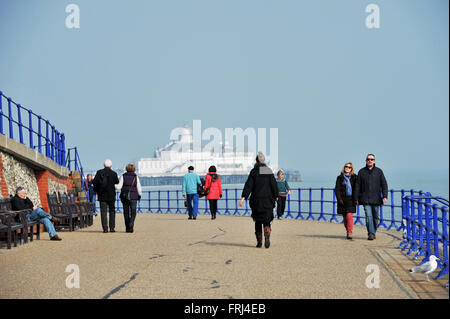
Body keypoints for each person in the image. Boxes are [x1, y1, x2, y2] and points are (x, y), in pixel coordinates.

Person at [239, 152, 278, 248]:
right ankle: (267, 233)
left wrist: (243, 197)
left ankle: (259, 242)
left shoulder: (254, 172)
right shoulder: (268, 171)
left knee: (257, 221)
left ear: (256, 161)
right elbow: (274, 185)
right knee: (267, 220)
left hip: (256, 200)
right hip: (268, 200)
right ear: (264, 161)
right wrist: (276, 196)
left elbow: (249, 186)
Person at [353, 154, 388, 240]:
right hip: (365, 199)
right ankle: (371, 234)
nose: (370, 161)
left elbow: (384, 184)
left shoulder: (379, 171)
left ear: (374, 161)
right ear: (366, 161)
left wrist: (385, 196)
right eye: (368, 159)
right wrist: (356, 198)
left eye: (372, 159)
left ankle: (373, 231)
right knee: (369, 217)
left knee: (376, 217)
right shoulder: (361, 172)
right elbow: (357, 186)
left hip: (376, 199)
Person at [93, 159, 119, 233]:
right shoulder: (114, 173)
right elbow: (117, 182)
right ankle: (112, 228)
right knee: (112, 211)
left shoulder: (99, 172)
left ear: (104, 165)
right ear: (111, 166)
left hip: (102, 195)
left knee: (103, 212)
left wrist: (97, 190)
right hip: (111, 195)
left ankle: (105, 228)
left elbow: (94, 182)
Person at [116, 164, 142, 233]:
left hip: (125, 196)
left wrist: (112, 185)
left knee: (126, 212)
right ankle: (131, 223)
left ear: (126, 169)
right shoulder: (135, 177)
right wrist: (139, 194)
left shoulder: (123, 176)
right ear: (134, 169)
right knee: (133, 212)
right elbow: (138, 188)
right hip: (134, 196)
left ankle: (127, 228)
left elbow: (119, 187)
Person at [334, 163, 357, 240]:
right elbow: (337, 189)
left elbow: (357, 188)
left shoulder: (355, 177)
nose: (347, 168)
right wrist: (339, 199)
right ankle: (347, 230)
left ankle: (350, 232)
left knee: (349, 215)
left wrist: (357, 198)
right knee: (345, 218)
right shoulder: (339, 178)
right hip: (342, 200)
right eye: (346, 167)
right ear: (344, 168)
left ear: (351, 169)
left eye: (349, 167)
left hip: (351, 199)